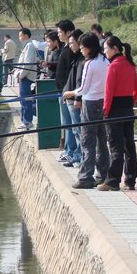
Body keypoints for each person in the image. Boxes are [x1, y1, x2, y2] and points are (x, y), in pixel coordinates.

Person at [64, 33, 109, 189]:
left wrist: (70, 93)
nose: (81, 49)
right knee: (102, 141)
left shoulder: (89, 64)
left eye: (82, 47)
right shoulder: (105, 61)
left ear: (89, 47)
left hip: (90, 104)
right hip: (103, 103)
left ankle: (85, 177)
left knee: (87, 141)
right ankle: (102, 175)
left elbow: (83, 88)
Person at [98, 36, 137, 191]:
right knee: (129, 146)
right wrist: (130, 102)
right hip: (127, 107)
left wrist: (105, 111)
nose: (104, 52)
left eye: (105, 49)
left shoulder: (113, 66)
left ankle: (113, 180)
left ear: (114, 49)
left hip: (114, 109)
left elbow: (108, 92)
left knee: (116, 146)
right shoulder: (130, 64)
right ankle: (130, 179)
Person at [55, 20, 79, 165]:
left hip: (68, 93)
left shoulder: (71, 50)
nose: (58, 35)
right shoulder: (65, 48)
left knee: (72, 125)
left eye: (60, 32)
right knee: (67, 124)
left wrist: (67, 90)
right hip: (63, 92)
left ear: (69, 32)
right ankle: (69, 150)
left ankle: (72, 152)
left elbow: (70, 72)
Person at [60, 30, 84, 168]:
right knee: (74, 129)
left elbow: (80, 82)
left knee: (78, 130)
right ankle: (76, 155)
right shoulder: (75, 58)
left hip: (75, 99)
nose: (70, 46)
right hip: (69, 97)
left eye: (72, 43)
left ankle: (80, 157)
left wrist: (77, 98)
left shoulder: (82, 60)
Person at [14, 28, 37, 130]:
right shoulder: (26, 46)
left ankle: (27, 121)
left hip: (26, 77)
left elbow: (27, 64)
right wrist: (17, 71)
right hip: (24, 76)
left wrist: (20, 75)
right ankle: (25, 121)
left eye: (20, 35)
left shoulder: (29, 46)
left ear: (26, 35)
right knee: (23, 100)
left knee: (26, 100)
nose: (19, 37)